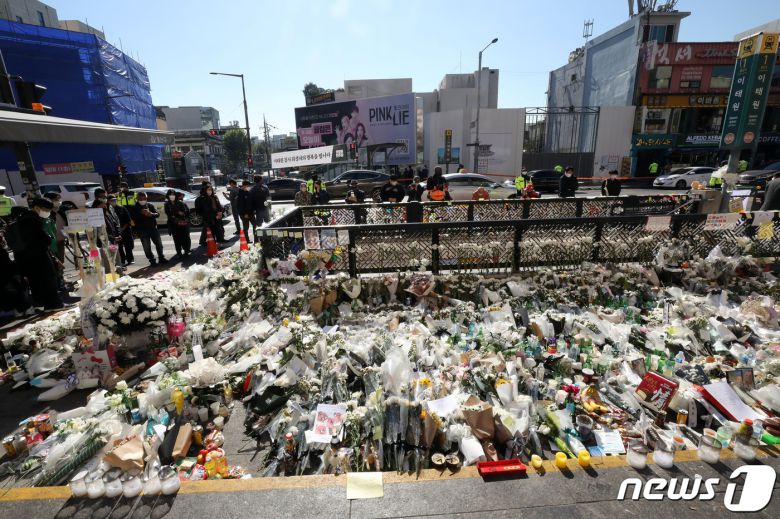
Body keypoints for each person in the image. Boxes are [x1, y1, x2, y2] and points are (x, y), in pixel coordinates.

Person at [7, 198, 63, 309]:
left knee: (36, 281)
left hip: (25, 258)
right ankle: (53, 304)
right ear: (37, 208)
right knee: (48, 280)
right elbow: (41, 239)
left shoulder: (21, 219)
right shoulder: (32, 220)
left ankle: (43, 303)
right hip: (39, 256)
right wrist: (48, 239)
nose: (47, 213)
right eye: (46, 210)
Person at [131, 191, 167, 265]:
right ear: (137, 199)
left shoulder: (150, 205)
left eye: (144, 198)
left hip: (153, 228)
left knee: (159, 244)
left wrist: (151, 214)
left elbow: (157, 214)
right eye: (140, 199)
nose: (142, 200)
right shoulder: (135, 207)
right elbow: (133, 219)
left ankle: (161, 257)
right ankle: (152, 260)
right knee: (146, 247)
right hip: (142, 230)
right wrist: (141, 214)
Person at [164, 189, 191, 257]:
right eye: (170, 195)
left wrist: (182, 213)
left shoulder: (181, 203)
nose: (172, 196)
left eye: (173, 194)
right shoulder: (167, 204)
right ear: (168, 196)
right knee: (176, 239)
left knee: (184, 238)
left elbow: (187, 211)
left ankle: (186, 251)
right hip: (173, 224)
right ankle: (179, 252)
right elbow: (168, 214)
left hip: (182, 224)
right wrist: (174, 218)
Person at [109, 195, 134, 265]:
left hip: (125, 230)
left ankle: (130, 259)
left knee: (128, 246)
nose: (114, 202)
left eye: (115, 200)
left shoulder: (122, 208)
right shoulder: (108, 211)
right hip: (115, 233)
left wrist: (122, 229)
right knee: (119, 248)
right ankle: (122, 261)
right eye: (112, 201)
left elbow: (128, 220)